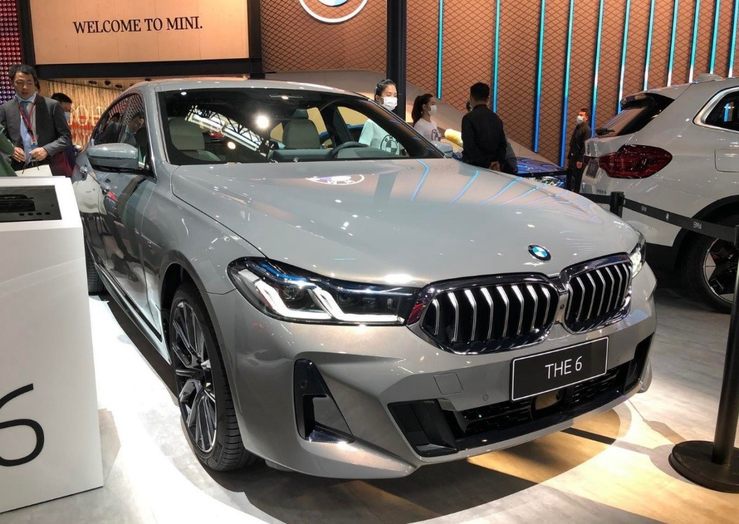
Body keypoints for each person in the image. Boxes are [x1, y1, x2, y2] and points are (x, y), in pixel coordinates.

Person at [0, 64, 72, 175]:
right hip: (18, 169)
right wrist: (11, 149)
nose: (25, 87)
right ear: (12, 83)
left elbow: (66, 137)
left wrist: (46, 150)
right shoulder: (5, 109)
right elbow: (2, 138)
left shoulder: (52, 105)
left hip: (49, 167)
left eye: (29, 82)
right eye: (20, 82)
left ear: (35, 83)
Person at [461, 82, 514, 173]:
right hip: (494, 168)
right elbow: (502, 144)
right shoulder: (496, 118)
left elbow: (469, 146)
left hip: (473, 168)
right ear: (487, 99)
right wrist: (497, 162)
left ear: (471, 97)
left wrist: (485, 163)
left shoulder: (468, 118)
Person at [358, 79, 400, 152]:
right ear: (378, 98)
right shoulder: (371, 123)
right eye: (388, 95)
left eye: (395, 95)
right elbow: (362, 150)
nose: (393, 98)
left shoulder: (396, 122)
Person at [566, 107, 591, 192]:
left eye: (581, 115)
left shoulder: (587, 129)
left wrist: (580, 160)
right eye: (578, 114)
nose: (578, 116)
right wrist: (569, 156)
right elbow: (573, 143)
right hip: (573, 157)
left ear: (586, 118)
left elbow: (585, 146)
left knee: (577, 179)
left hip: (578, 159)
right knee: (569, 178)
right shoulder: (578, 127)